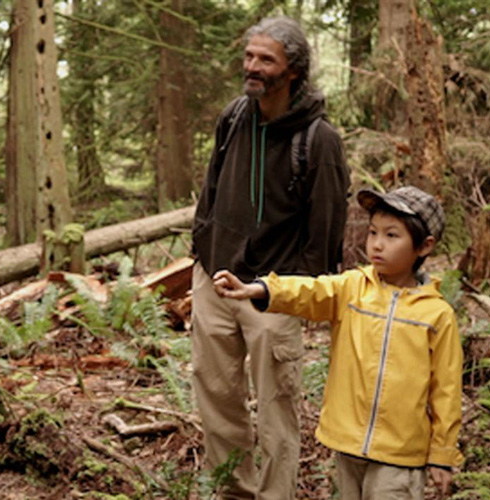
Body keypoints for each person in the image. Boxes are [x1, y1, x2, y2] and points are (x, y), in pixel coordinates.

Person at [212, 185, 462, 500]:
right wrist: (259, 290)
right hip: (349, 443)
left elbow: (447, 390)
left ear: (424, 247)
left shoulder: (437, 315)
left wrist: (442, 454)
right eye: (373, 233)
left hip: (401, 454)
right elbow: (309, 291)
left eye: (391, 236)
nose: (377, 245)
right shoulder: (353, 288)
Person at [190, 16, 350, 499]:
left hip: (274, 294)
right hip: (215, 280)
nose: (252, 67)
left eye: (266, 60)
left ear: (294, 71)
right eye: (249, 56)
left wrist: (304, 294)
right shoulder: (235, 116)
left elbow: (326, 224)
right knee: (217, 399)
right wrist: (202, 249)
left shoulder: (318, 139)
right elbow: (211, 189)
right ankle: (232, 491)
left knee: (277, 408)